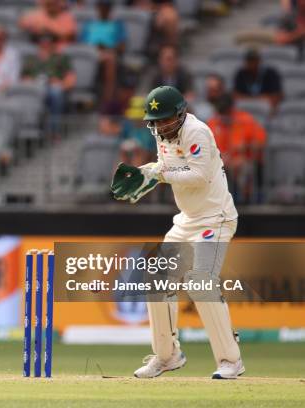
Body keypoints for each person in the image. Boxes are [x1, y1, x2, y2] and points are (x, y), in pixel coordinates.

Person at [112, 86, 244, 380]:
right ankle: (167, 356)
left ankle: (230, 361)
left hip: (215, 218)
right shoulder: (162, 134)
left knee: (201, 283)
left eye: (165, 120)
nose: (160, 126)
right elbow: (166, 167)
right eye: (155, 121)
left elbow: (198, 176)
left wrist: (157, 175)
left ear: (181, 114)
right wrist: (146, 173)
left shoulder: (197, 132)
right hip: (187, 219)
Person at [207, 93, 266, 203]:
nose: (224, 115)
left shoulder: (246, 120)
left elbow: (260, 142)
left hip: (244, 161)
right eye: (221, 111)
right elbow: (206, 148)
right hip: (220, 162)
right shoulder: (213, 123)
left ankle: (244, 200)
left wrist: (246, 146)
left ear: (232, 108)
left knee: (241, 166)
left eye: (226, 111)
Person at [22, 32, 76, 136]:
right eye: (42, 41)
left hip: (53, 86)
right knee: (26, 94)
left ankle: (53, 131)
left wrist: (60, 83)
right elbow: (23, 77)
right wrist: (32, 81)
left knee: (56, 92)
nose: (45, 44)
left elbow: (71, 79)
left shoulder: (61, 58)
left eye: (48, 41)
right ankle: (29, 129)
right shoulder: (31, 58)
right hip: (34, 86)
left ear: (53, 43)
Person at [80, 0, 127, 104]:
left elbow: (122, 45)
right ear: (98, 7)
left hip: (108, 52)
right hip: (90, 53)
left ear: (110, 8)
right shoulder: (89, 24)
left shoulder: (116, 24)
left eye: (106, 6)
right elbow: (82, 43)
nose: (104, 9)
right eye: (101, 6)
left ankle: (107, 100)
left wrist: (108, 47)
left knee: (110, 60)